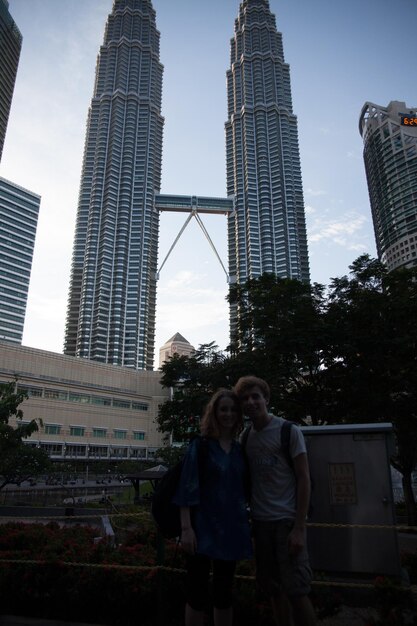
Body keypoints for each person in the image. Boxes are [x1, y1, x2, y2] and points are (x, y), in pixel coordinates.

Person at [234, 375, 316, 626]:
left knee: (298, 591)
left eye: (255, 396)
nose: (251, 402)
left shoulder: (288, 431)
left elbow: (304, 479)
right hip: (261, 524)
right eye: (245, 398)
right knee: (273, 590)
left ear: (266, 398)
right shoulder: (246, 438)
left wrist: (299, 527)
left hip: (287, 522)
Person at [173, 388, 252, 626]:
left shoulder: (241, 450)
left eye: (232, 410)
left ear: (238, 415)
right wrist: (186, 528)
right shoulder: (201, 446)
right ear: (214, 413)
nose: (228, 414)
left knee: (224, 592)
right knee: (196, 592)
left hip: (231, 528)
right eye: (223, 409)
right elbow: (187, 486)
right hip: (201, 529)